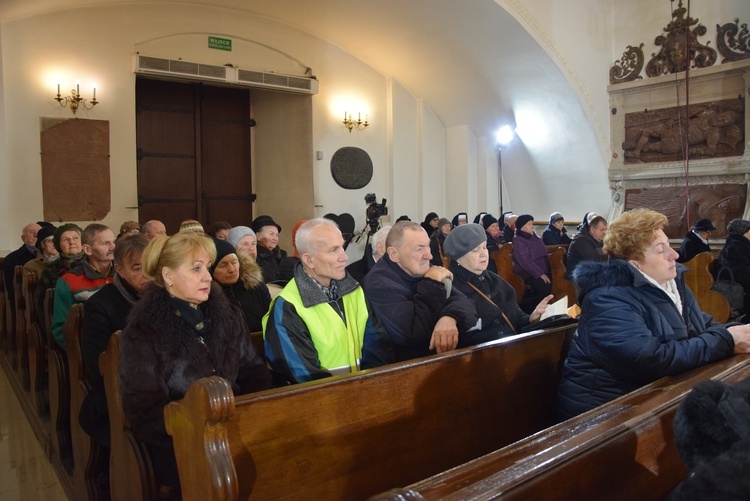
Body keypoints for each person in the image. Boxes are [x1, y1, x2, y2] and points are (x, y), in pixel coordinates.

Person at [556, 209, 750, 420]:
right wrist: (727, 341)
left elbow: (700, 324)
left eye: (668, 245)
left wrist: (737, 332)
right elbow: (648, 359)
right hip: (604, 415)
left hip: (649, 397)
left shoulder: (669, 284)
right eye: (661, 249)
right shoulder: (607, 299)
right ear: (634, 263)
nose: (674, 254)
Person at [119, 232, 272, 492]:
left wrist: (253, 420)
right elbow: (145, 409)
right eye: (196, 269)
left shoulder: (228, 314)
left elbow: (251, 368)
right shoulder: (144, 331)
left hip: (237, 426)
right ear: (168, 276)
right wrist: (202, 436)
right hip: (181, 444)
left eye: (207, 267)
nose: (208, 277)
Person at [263, 218, 384, 384]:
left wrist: (372, 384)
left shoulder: (354, 290)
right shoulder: (288, 307)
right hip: (320, 402)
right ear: (309, 260)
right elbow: (304, 375)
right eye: (334, 250)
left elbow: (377, 343)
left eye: (342, 246)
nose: (344, 257)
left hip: (364, 394)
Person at [362, 221, 478, 364]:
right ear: (394, 254)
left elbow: (465, 303)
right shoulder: (379, 284)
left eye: (428, 246)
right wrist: (431, 283)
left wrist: (449, 318)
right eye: (419, 249)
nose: (429, 256)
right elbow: (414, 334)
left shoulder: (422, 268)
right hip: (405, 371)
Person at [79, 233, 150, 448]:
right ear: (120, 270)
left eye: (151, 266)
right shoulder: (100, 307)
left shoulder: (168, 297)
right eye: (138, 268)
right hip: (121, 396)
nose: (148, 275)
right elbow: (100, 369)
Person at [444, 224, 552, 345]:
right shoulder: (450, 287)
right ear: (458, 257)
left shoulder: (496, 281)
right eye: (475, 250)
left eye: (484, 247)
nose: (484, 254)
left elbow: (516, 319)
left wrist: (533, 317)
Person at [51, 224, 116, 349]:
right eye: (105, 243)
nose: (113, 247)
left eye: (114, 242)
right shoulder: (68, 281)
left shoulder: (123, 274)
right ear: (87, 250)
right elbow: (61, 329)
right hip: (90, 348)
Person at [210, 238, 271, 333]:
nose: (231, 269)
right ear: (211, 271)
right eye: (223, 265)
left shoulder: (256, 286)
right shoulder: (208, 299)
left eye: (234, 262)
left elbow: (273, 319)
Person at [36, 224, 84, 316]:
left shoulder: (93, 263)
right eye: (65, 239)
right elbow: (43, 305)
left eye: (76, 238)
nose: (71, 242)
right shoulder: (50, 271)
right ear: (58, 245)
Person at [512, 214, 552, 312]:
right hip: (527, 272)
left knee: (557, 280)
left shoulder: (534, 236)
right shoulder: (518, 239)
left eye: (532, 224)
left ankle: (551, 310)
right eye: (529, 224)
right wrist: (540, 274)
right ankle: (537, 312)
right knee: (544, 285)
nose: (532, 226)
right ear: (522, 227)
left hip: (542, 269)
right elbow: (525, 261)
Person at [717, 218, 750, 316]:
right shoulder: (735, 247)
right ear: (744, 232)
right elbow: (741, 274)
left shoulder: (739, 244)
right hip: (739, 290)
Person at [3, 222, 41, 306]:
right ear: (23, 238)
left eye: (39, 232)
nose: (36, 235)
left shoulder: (50, 256)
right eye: (31, 232)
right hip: (24, 303)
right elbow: (10, 288)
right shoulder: (11, 259)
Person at [566, 212, 608, 278]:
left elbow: (606, 256)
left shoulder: (598, 239)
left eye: (606, 230)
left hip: (594, 273)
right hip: (578, 277)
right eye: (602, 230)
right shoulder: (580, 240)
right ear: (592, 229)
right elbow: (593, 261)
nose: (604, 233)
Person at [252, 215, 288, 283]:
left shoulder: (283, 255)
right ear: (258, 236)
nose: (275, 238)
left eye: (277, 235)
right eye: (271, 234)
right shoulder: (254, 256)